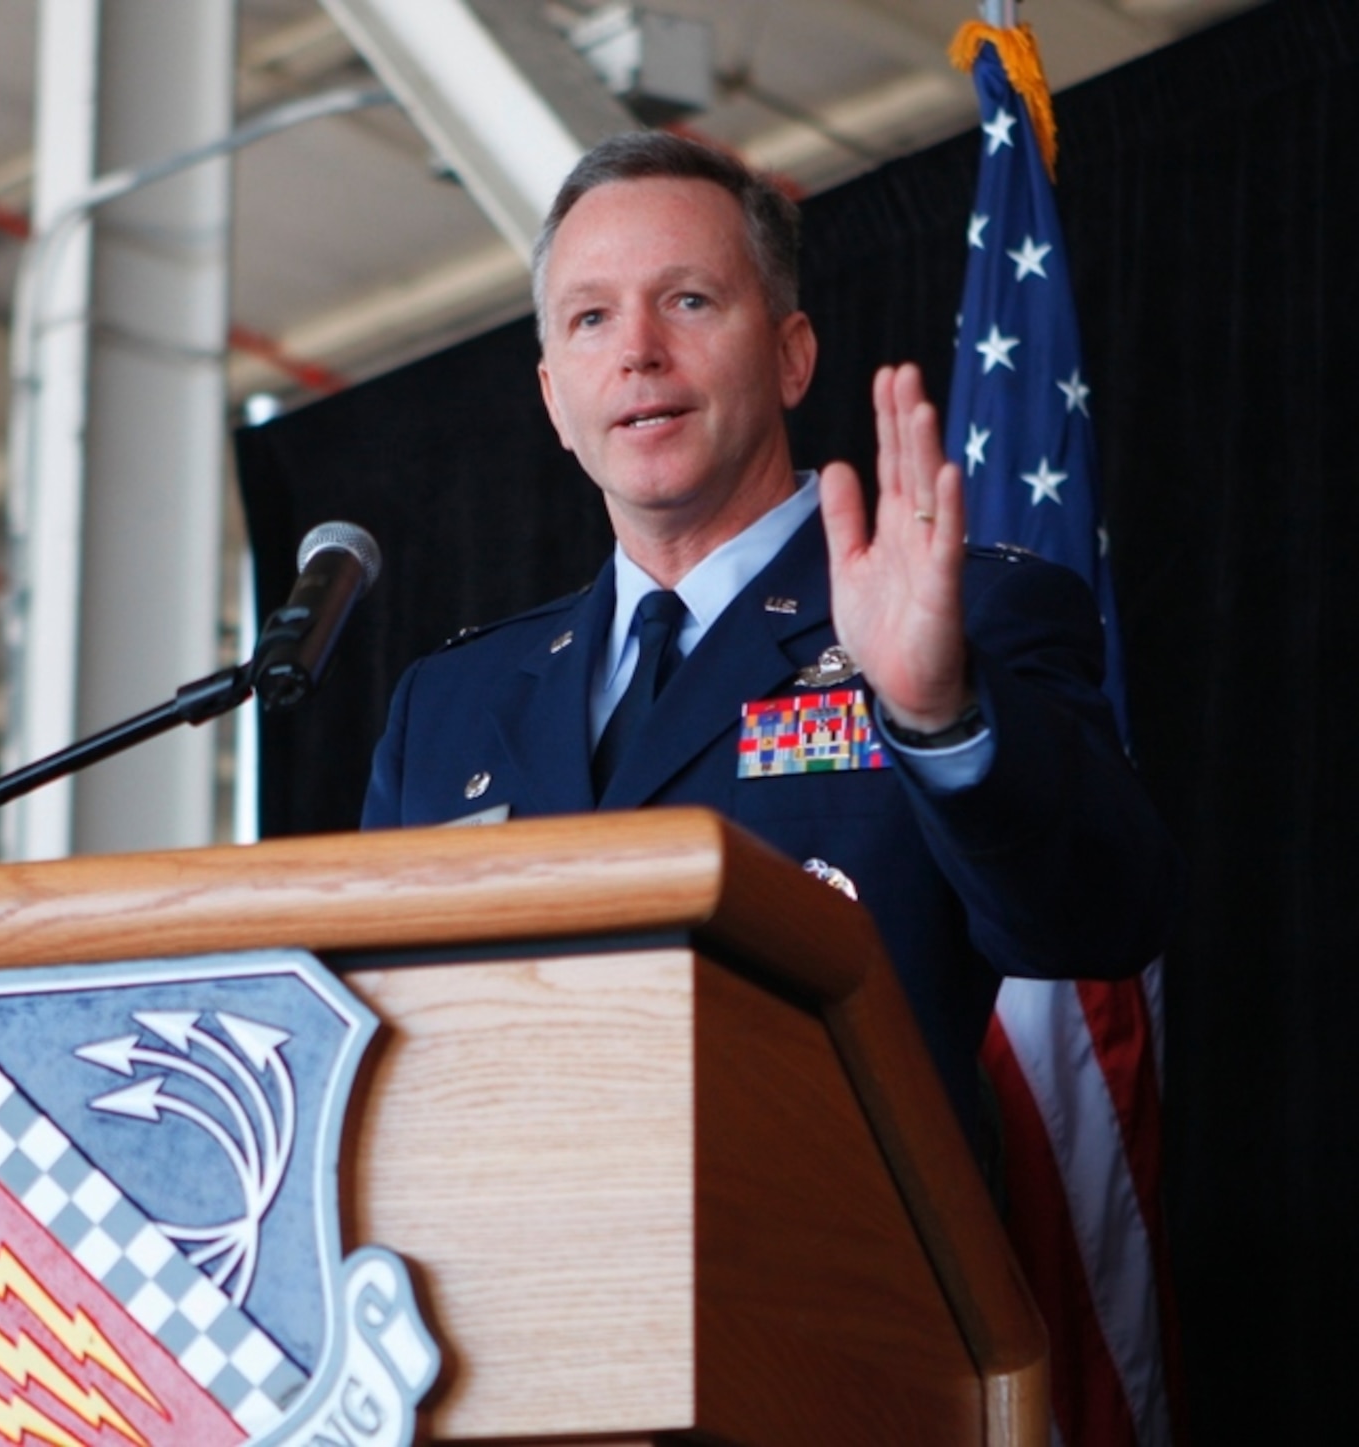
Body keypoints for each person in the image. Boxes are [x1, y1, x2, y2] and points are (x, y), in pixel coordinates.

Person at [360, 132, 1177, 1138]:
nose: (637, 350)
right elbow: (380, 1055)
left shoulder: (955, 621)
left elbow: (1099, 917)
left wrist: (936, 713)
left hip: (819, 1273)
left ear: (789, 356)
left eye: (688, 300)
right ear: (552, 402)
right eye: (589, 317)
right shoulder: (444, 708)